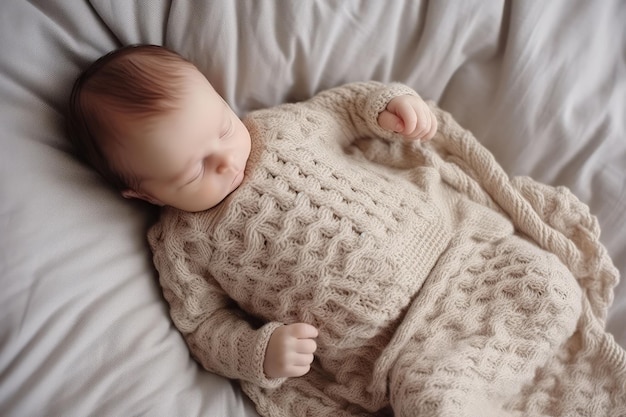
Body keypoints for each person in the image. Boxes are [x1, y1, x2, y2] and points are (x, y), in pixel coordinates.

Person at [68, 45, 604, 417]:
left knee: (549, 282)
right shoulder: (182, 245)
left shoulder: (279, 129)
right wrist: (260, 352)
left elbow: (345, 109)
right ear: (146, 195)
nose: (226, 160)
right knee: (433, 402)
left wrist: (390, 107)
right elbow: (202, 325)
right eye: (193, 170)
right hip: (399, 349)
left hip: (462, 254)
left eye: (223, 128)